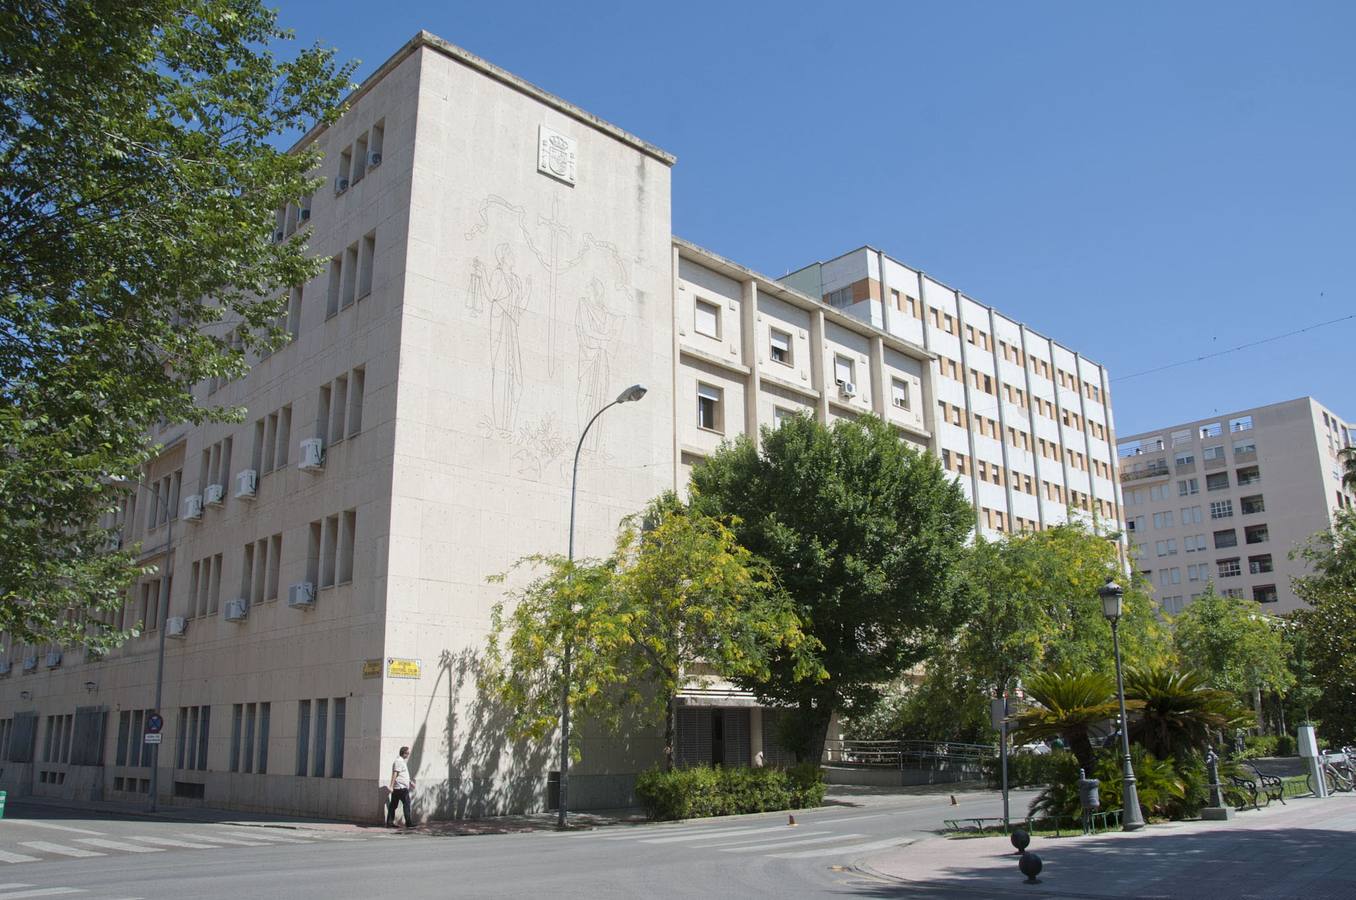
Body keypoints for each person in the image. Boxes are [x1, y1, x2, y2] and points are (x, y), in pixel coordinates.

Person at [387, 746, 415, 828]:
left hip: (399, 787)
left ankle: (390, 822)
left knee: (393, 805)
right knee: (406, 804)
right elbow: (395, 774)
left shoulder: (401, 761)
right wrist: (391, 786)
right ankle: (408, 823)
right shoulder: (399, 761)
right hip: (401, 787)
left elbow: (402, 775)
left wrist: (410, 782)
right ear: (404, 753)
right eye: (407, 753)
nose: (408, 755)